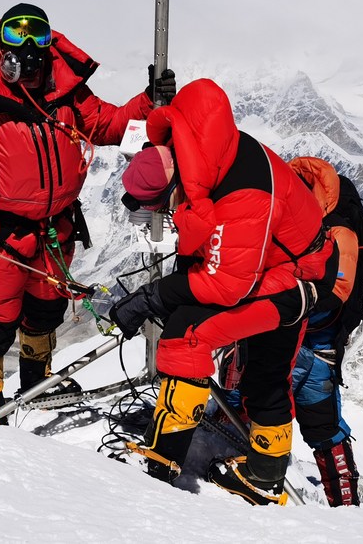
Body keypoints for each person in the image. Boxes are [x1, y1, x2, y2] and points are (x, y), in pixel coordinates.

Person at [0, 2, 174, 423]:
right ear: (0, 42)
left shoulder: (66, 92)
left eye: (39, 35)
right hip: (0, 234)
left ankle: (37, 385)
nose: (29, 45)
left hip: (56, 230)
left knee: (45, 312)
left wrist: (148, 102)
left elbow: (109, 125)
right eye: (17, 34)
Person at [109, 78, 338, 505]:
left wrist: (154, 296)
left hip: (296, 281)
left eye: (161, 206)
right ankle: (264, 476)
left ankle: (161, 459)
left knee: (187, 334)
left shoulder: (242, 195)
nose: (166, 214)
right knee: (266, 373)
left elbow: (227, 284)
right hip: (281, 266)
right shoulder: (206, 152)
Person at [287, 156, 361, 507]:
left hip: (313, 347)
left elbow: (338, 294)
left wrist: (285, 303)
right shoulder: (305, 221)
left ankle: (347, 510)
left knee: (324, 429)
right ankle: (345, 506)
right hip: (300, 342)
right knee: (323, 429)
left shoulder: (338, 232)